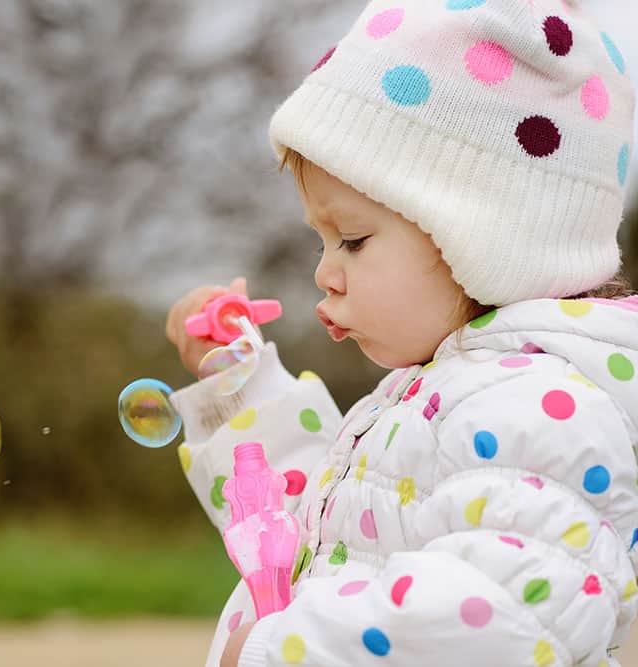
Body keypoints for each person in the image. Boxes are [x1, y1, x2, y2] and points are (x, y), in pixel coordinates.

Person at [164, 1, 638, 665]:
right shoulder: (447, 392)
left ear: (485, 238)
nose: (324, 273)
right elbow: (315, 542)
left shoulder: (539, 410)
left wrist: (282, 651)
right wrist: (238, 386)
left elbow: (493, 624)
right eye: (323, 240)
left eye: (353, 240)